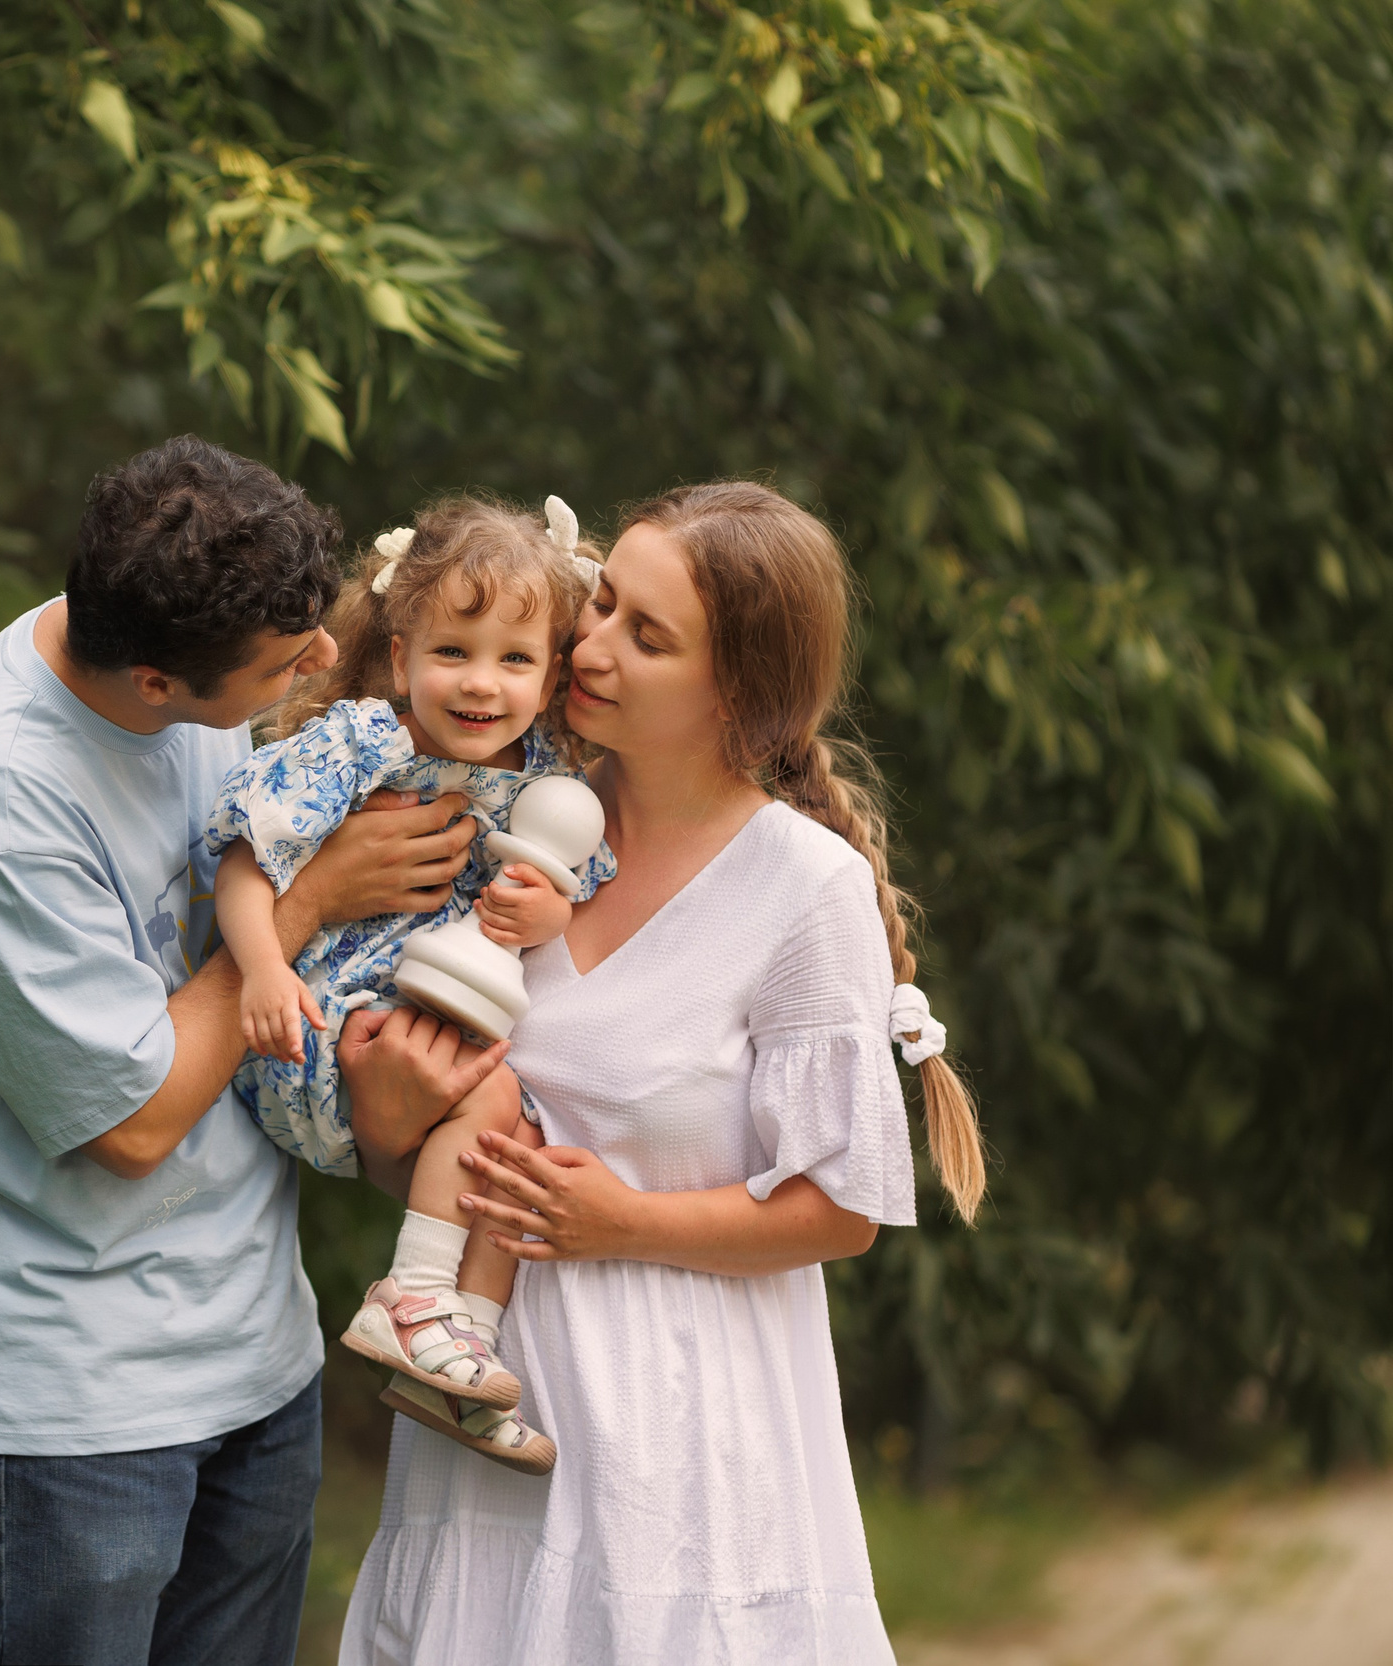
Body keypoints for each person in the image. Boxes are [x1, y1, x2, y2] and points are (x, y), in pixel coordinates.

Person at [335, 480, 986, 1664]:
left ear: (736, 689)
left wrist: (621, 1220)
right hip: (480, 1410)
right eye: (602, 608)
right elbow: (467, 1158)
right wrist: (384, 1126)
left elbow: (838, 1212)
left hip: (680, 1445)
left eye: (647, 634)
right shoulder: (499, 822)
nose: (589, 647)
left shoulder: (802, 892)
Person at [0, 435, 488, 1666]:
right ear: (157, 683)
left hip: (255, 1363)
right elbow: (135, 1121)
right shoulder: (3, 796)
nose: (326, 659)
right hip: (73, 1411)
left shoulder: (186, 632)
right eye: (287, 661)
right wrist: (310, 900)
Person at [202, 495, 611, 1473]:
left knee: (527, 1139)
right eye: (453, 652)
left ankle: (457, 1354)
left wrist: (541, 914)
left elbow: (572, 892)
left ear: (552, 670)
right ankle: (413, 1296)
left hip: (431, 1022)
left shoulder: (550, 778)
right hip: (317, 1028)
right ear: (397, 655)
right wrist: (260, 965)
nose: (481, 684)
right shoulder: (360, 744)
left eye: (514, 659)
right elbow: (246, 860)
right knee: (503, 1092)